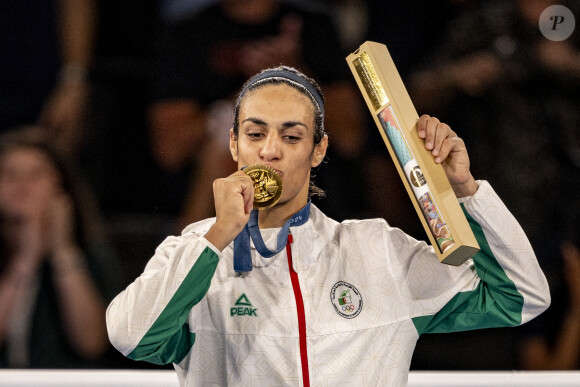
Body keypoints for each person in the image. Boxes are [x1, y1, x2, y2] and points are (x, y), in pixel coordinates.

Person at [107, 66, 550, 386]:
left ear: (319, 150)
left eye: (292, 136)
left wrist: (465, 189)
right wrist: (219, 234)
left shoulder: (379, 251)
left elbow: (521, 297)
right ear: (234, 144)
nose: (270, 152)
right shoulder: (194, 253)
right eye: (255, 134)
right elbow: (133, 337)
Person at [0, 128, 120, 368]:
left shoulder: (90, 252)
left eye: (35, 175)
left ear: (60, 184)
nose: (22, 184)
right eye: (9, 174)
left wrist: (63, 252)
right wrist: (25, 261)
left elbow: (91, 344)